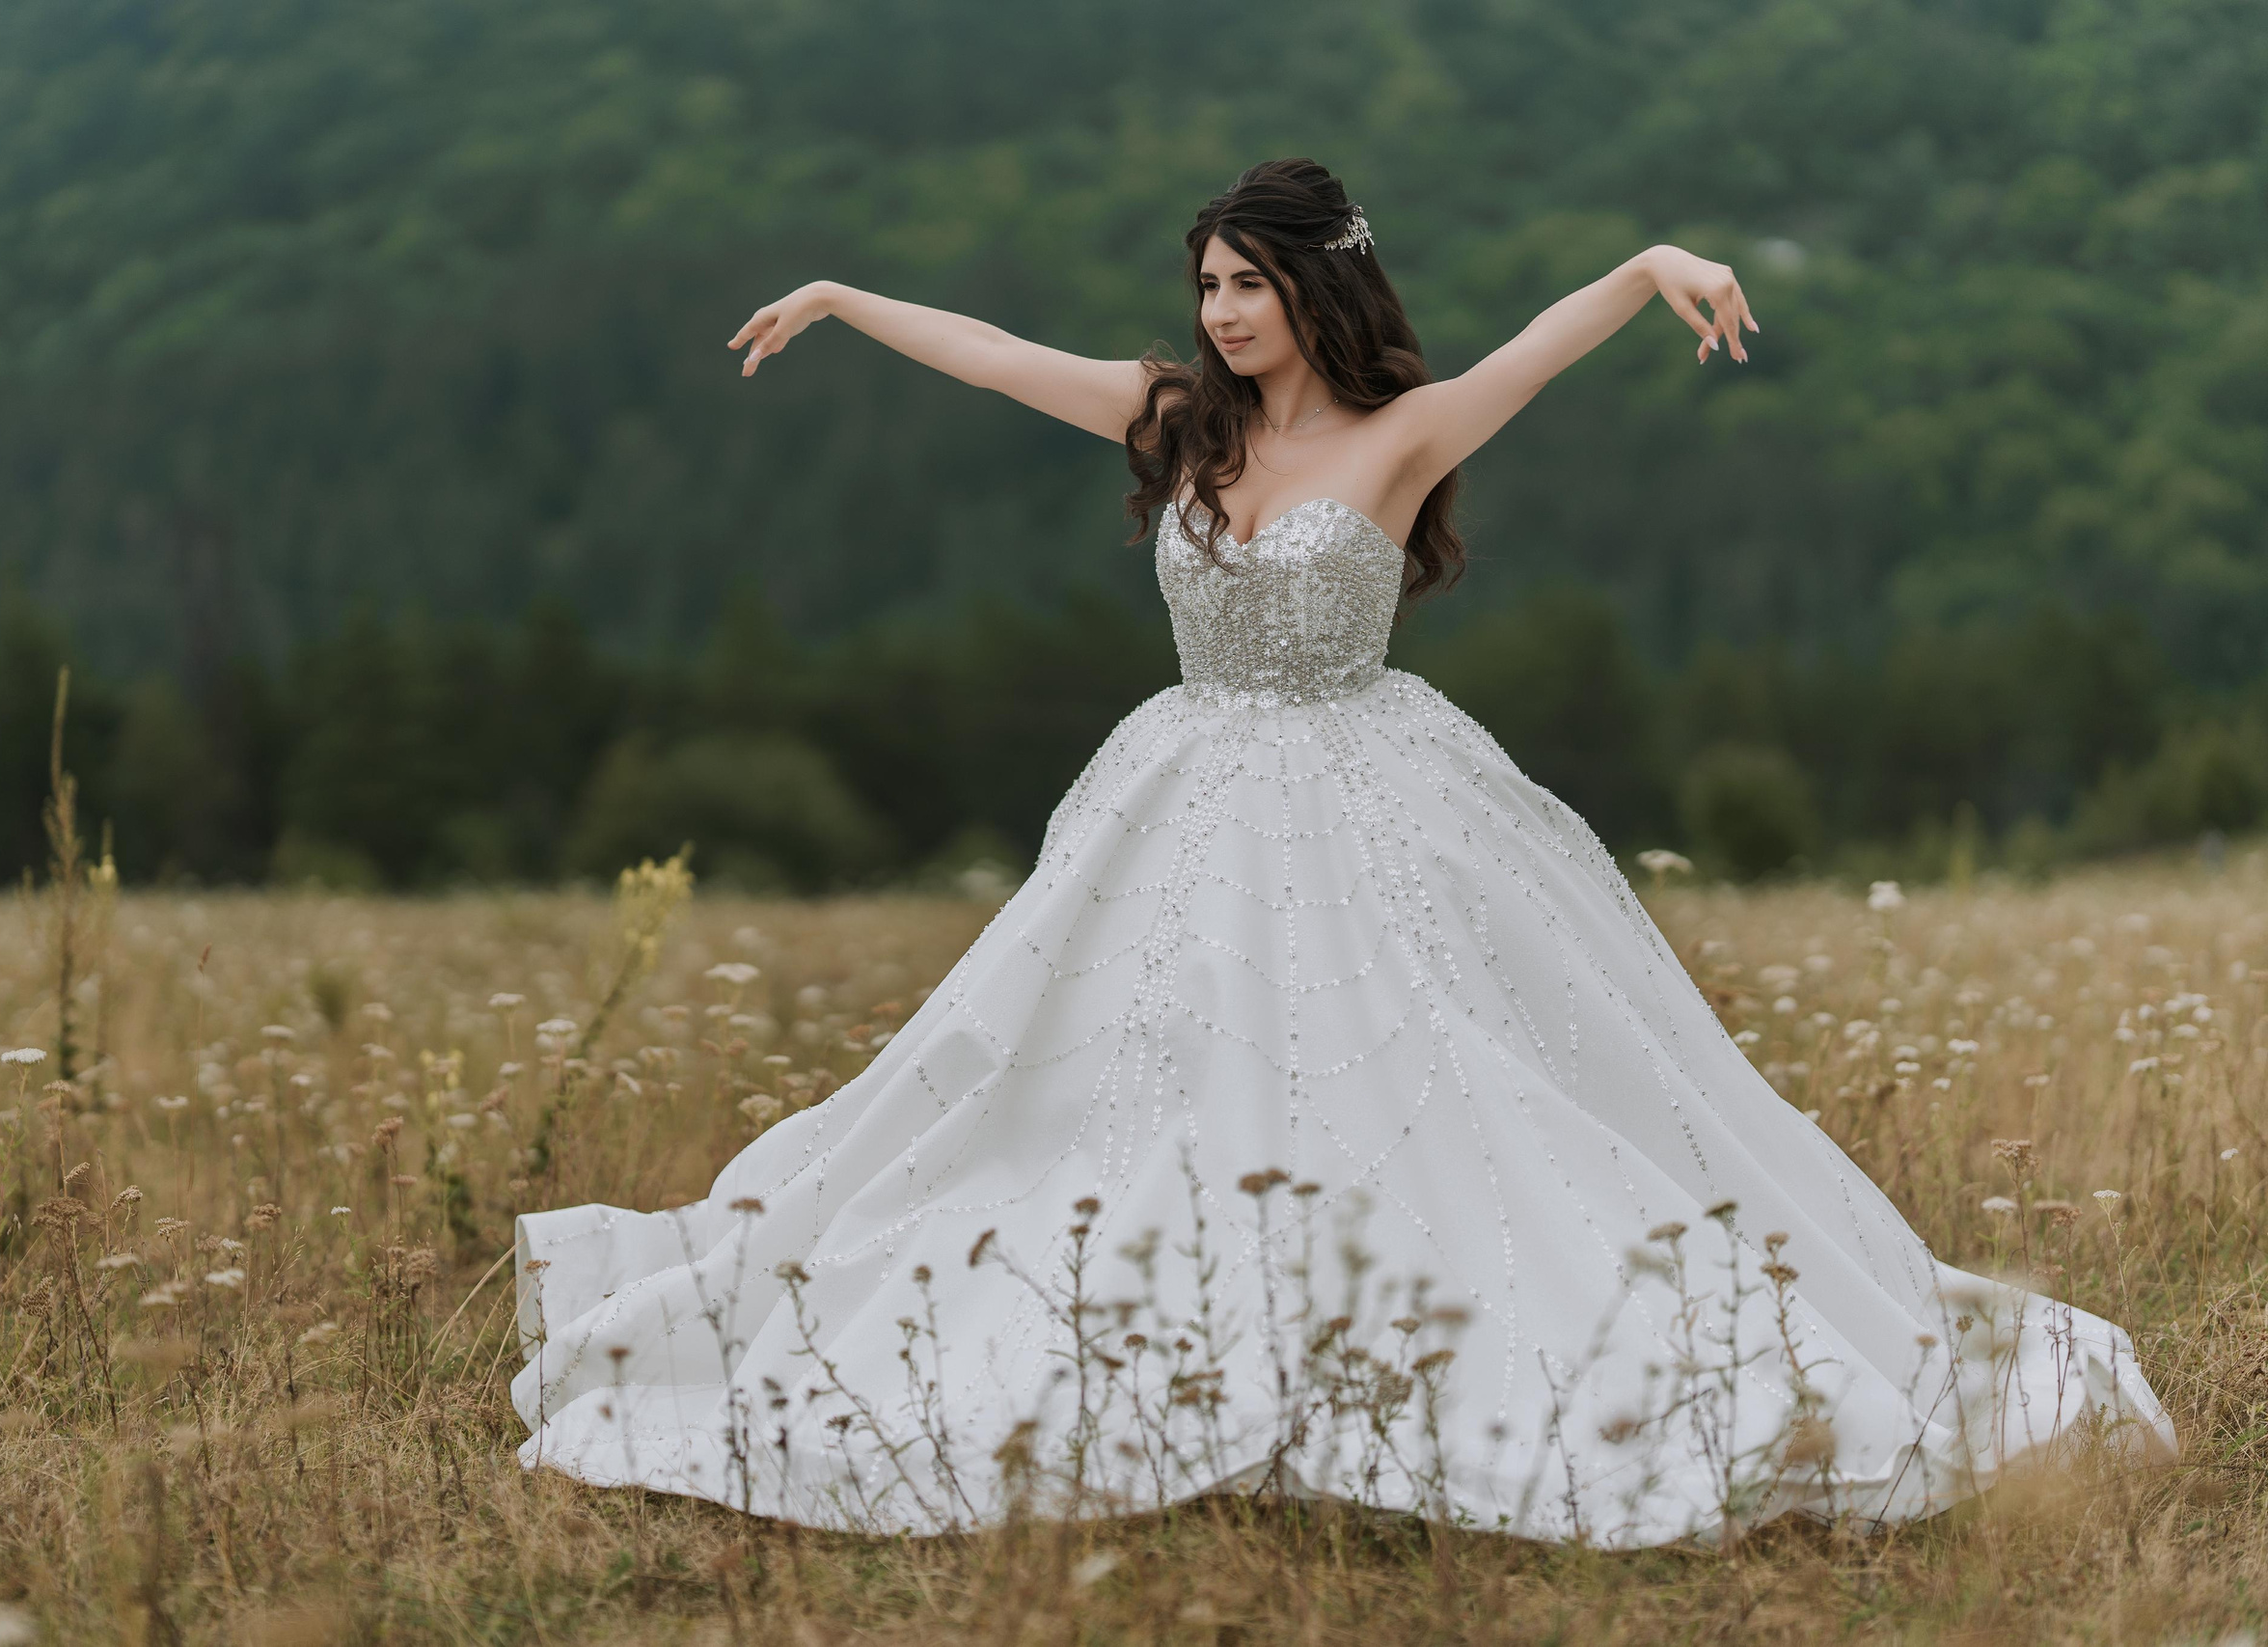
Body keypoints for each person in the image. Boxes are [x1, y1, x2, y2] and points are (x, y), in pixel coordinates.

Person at [510, 158, 2174, 1547]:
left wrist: (1652, 261)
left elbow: (1542, 347)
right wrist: (846, 301)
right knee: (1111, 1074)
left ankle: (1392, 1340)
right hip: (1181, 792)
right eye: (1208, 285)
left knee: (1423, 1073)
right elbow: (1001, 356)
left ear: (1316, 288)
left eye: (1246, 282)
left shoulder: (1402, 436)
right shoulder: (1175, 422)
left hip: (1369, 791)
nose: (1221, 313)